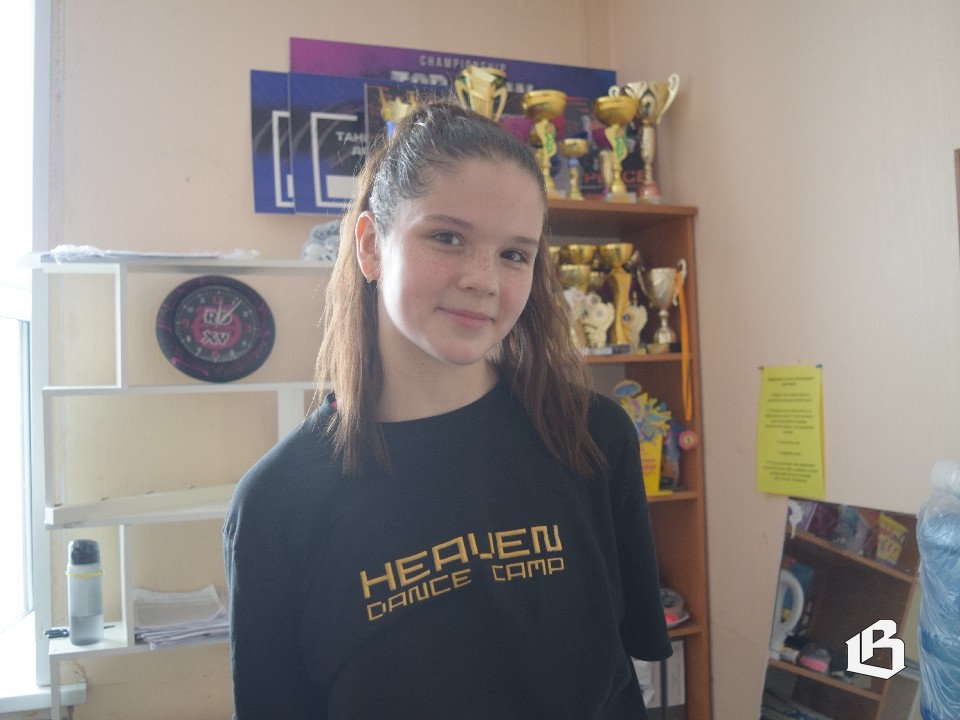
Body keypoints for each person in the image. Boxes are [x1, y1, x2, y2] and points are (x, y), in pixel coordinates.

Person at [223, 98, 672, 719]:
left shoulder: (594, 437)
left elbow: (624, 666)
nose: (484, 279)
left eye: (514, 254)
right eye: (448, 237)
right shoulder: (278, 503)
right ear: (371, 246)